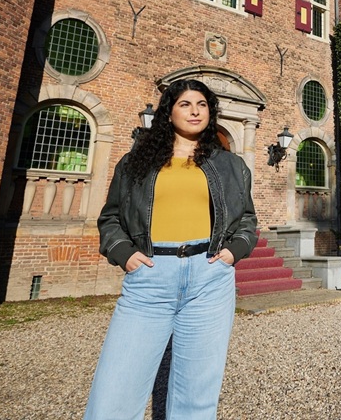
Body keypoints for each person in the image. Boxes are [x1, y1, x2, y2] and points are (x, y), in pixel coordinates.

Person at [84, 79, 258, 420]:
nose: (195, 111)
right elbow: (111, 218)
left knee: (197, 396)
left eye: (202, 104)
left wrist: (234, 251)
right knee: (114, 394)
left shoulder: (230, 165)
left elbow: (247, 219)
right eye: (185, 104)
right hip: (150, 277)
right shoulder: (136, 162)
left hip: (210, 279)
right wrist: (124, 253)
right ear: (169, 112)